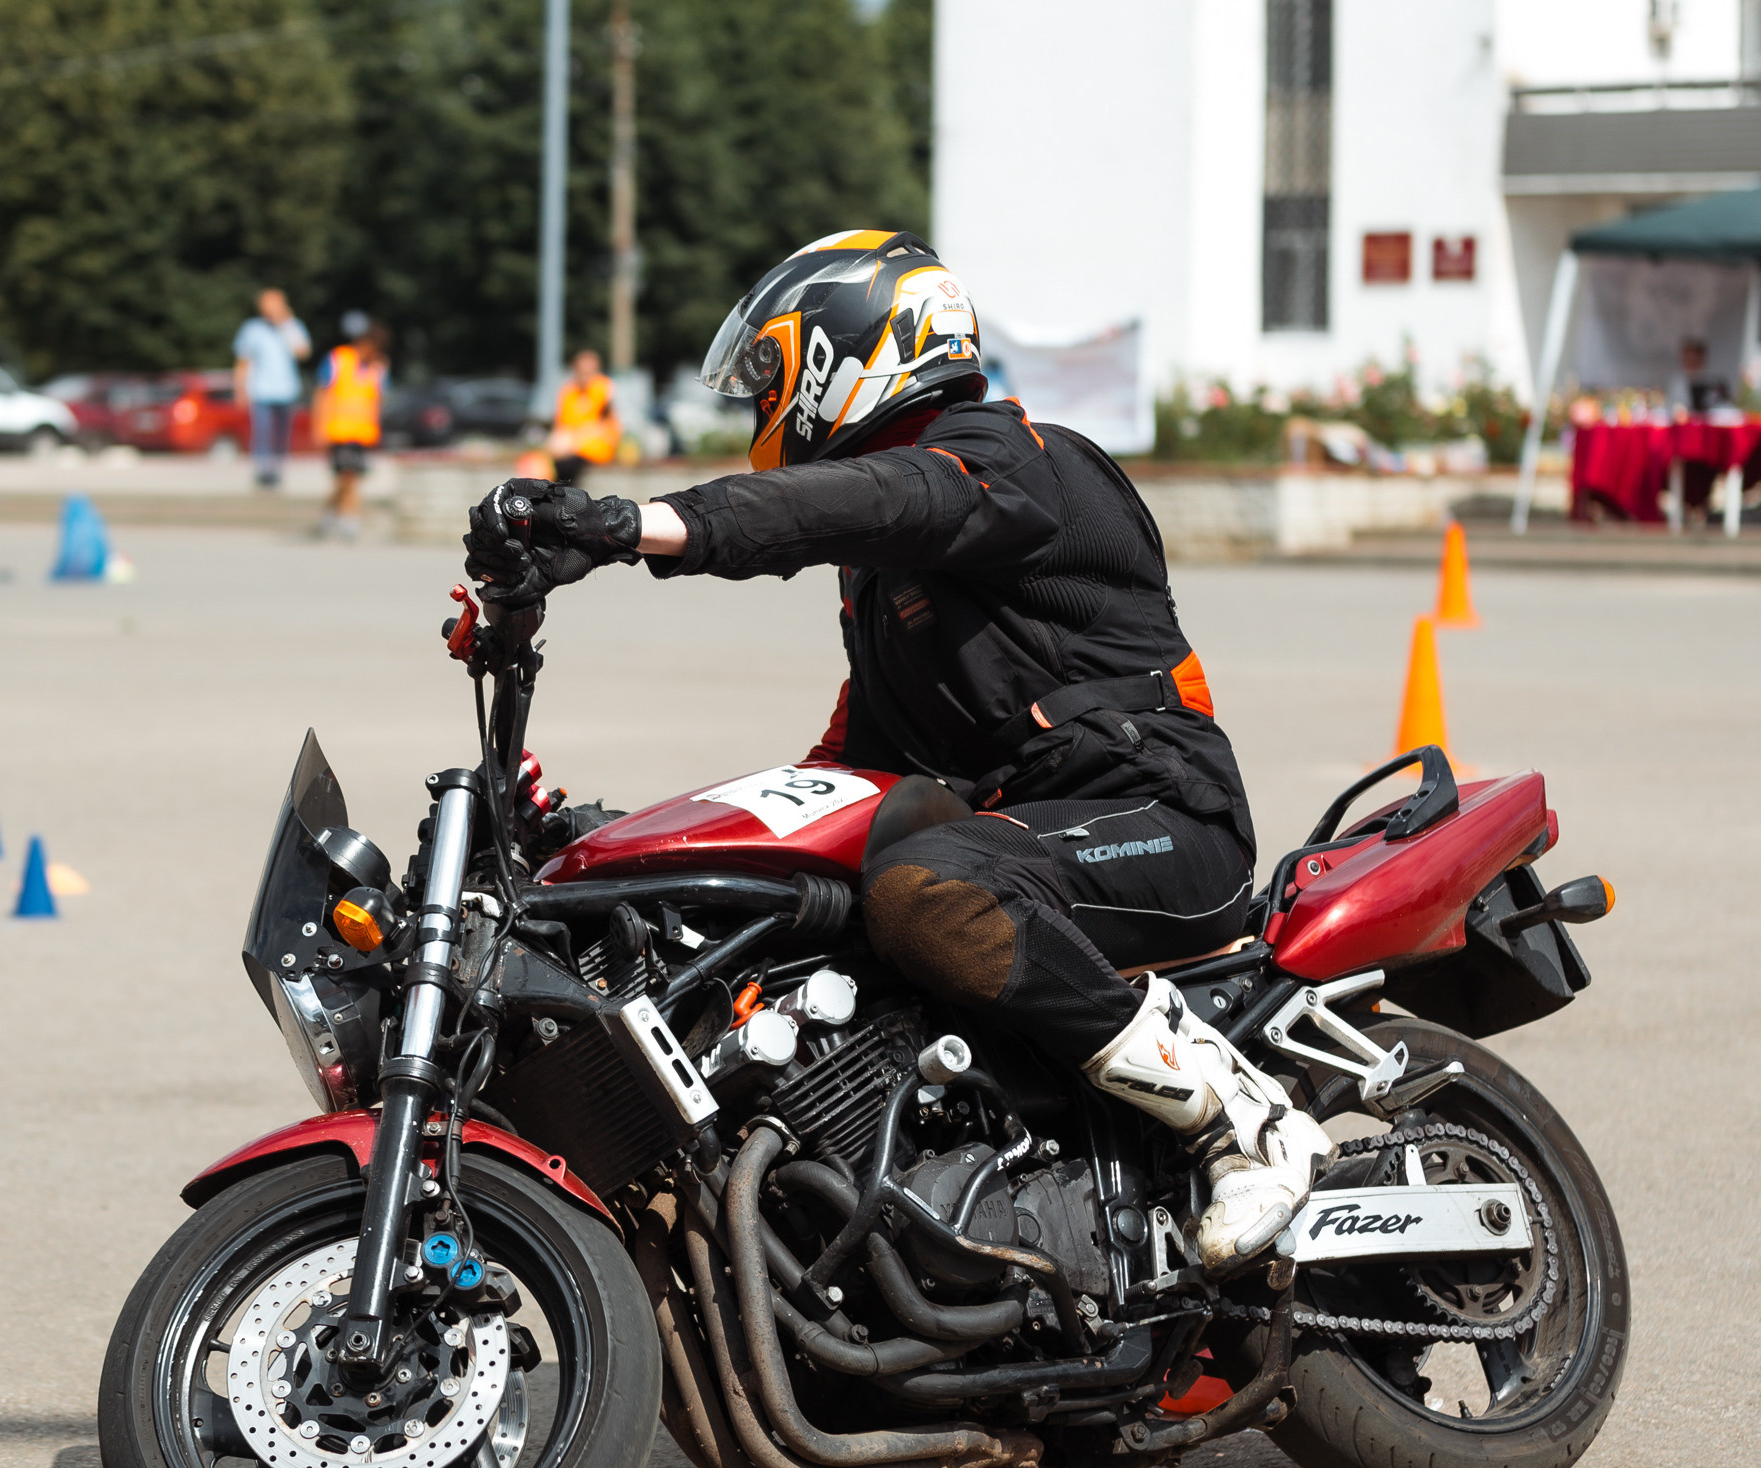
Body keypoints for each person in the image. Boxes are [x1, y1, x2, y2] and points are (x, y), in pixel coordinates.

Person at [460, 229, 1333, 1272]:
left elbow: (871, 499)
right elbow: (838, 769)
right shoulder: (886, 584)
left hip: (1158, 816)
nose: (760, 408)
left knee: (929, 888)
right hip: (1023, 843)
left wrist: (630, 524)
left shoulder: (1017, 464)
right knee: (789, 911)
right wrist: (619, 849)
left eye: (770, 377)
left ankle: (1239, 1117)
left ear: (843, 352)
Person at [315, 311, 386, 541]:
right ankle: (349, 520)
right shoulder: (338, 358)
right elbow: (323, 393)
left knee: (349, 478)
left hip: (363, 433)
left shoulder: (379, 367)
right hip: (340, 430)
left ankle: (329, 513)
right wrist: (319, 425)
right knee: (348, 476)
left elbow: (377, 400)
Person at [233, 288, 311, 489]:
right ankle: (263, 471)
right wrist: (241, 389)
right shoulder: (252, 328)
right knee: (262, 433)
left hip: (286, 389)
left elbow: (302, 352)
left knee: (282, 434)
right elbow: (244, 361)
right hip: (261, 390)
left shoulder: (293, 326)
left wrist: (285, 324)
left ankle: (278, 469)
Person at [546, 347, 621, 483]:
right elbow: (561, 424)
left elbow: (605, 425)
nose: (584, 375)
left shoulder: (604, 388)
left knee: (567, 465)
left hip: (595, 444)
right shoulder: (568, 390)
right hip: (571, 444)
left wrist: (575, 439)